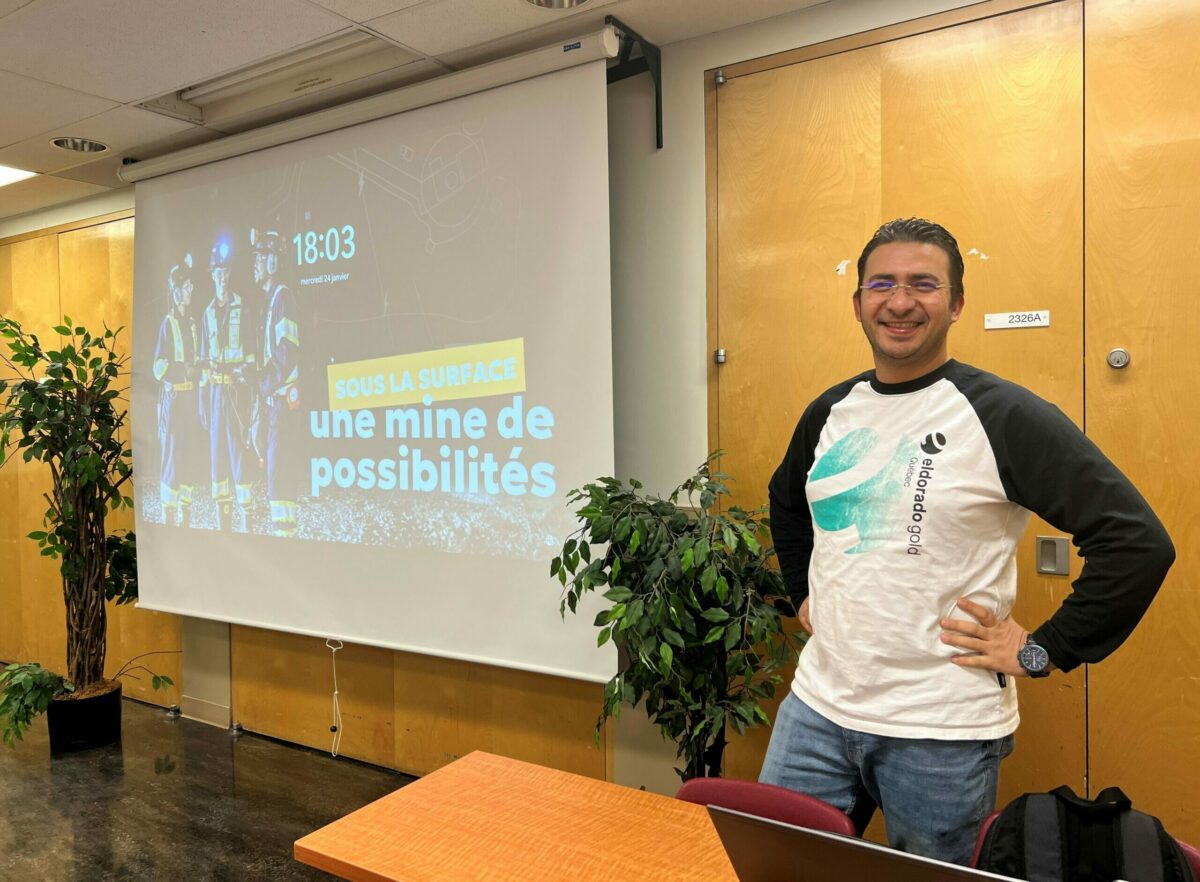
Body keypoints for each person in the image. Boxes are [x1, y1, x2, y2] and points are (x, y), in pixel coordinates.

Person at [759, 217, 1174, 866]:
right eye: (882, 284)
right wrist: (801, 594)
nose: (899, 301)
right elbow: (787, 500)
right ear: (858, 304)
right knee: (775, 867)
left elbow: (1137, 542)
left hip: (940, 731)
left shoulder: (1002, 415)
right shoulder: (831, 411)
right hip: (817, 708)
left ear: (956, 304)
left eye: (923, 284)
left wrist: (1044, 650)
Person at [199, 237, 256, 531]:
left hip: (236, 390)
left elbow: (251, 352)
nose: (222, 277)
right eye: (218, 272)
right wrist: (202, 403)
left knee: (238, 452)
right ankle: (224, 522)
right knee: (217, 454)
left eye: (226, 272)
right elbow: (201, 362)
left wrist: (246, 379)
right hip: (215, 393)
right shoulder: (207, 314)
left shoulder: (241, 307)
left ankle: (246, 516)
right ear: (212, 275)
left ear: (230, 274)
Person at [250, 226, 301, 538]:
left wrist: (263, 382)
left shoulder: (283, 298)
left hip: (282, 401)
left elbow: (287, 350)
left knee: (279, 475)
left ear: (273, 262)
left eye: (260, 258)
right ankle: (283, 535)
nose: (255, 265)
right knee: (274, 473)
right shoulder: (270, 301)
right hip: (274, 403)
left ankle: (285, 538)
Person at [153, 253, 200, 527]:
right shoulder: (167, 324)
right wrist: (183, 371)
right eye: (186, 286)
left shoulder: (192, 322)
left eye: (191, 285)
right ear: (176, 290)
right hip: (174, 400)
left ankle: (187, 514)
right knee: (172, 455)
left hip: (190, 399)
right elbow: (158, 367)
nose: (191, 289)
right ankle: (169, 515)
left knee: (190, 454)